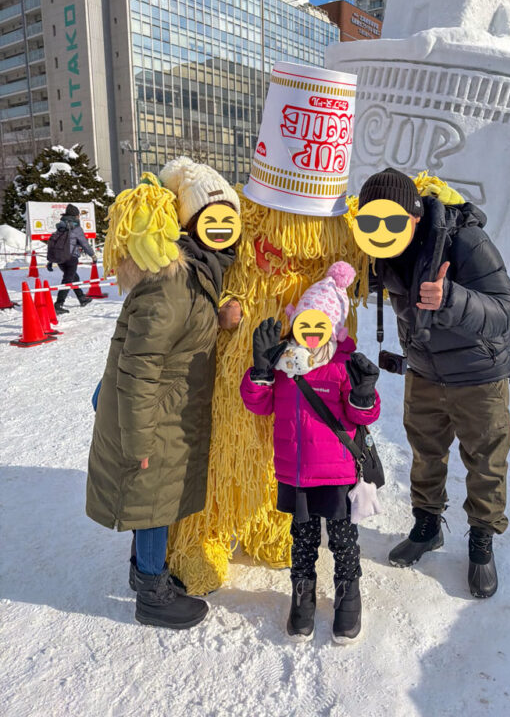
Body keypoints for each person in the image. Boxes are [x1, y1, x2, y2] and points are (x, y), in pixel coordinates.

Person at [86, 161, 241, 629]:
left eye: (227, 217)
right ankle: (152, 594)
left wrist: (217, 320)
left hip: (167, 407)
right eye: (209, 217)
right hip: (151, 410)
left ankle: (145, 574)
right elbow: (139, 366)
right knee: (152, 502)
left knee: (155, 498)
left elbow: (178, 333)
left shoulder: (195, 272)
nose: (221, 226)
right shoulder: (174, 278)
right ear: (190, 224)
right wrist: (139, 442)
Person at [358, 168, 510, 598]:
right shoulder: (380, 248)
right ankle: (427, 527)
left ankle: (481, 541)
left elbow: (505, 308)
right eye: (370, 222)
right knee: (425, 453)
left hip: (478, 373)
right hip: (425, 370)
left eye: (392, 220)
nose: (381, 230)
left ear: (413, 215)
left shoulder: (464, 240)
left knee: (485, 460)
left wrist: (450, 298)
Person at [240, 262, 380, 643]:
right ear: (296, 322)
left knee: (342, 538)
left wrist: (364, 392)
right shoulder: (285, 363)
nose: (313, 332)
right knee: (300, 539)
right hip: (296, 472)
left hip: (336, 474)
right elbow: (259, 405)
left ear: (333, 326)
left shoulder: (342, 364)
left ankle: (348, 592)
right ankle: (302, 593)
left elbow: (362, 414)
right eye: (306, 322)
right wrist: (259, 370)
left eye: (321, 323)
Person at [46, 204, 97, 314]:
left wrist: (50, 260)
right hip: (71, 258)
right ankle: (58, 304)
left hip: (60, 258)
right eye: (78, 215)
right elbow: (85, 244)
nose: (79, 217)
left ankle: (82, 298)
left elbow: (55, 244)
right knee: (67, 280)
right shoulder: (76, 228)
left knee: (74, 277)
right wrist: (93, 256)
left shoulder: (60, 226)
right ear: (75, 216)